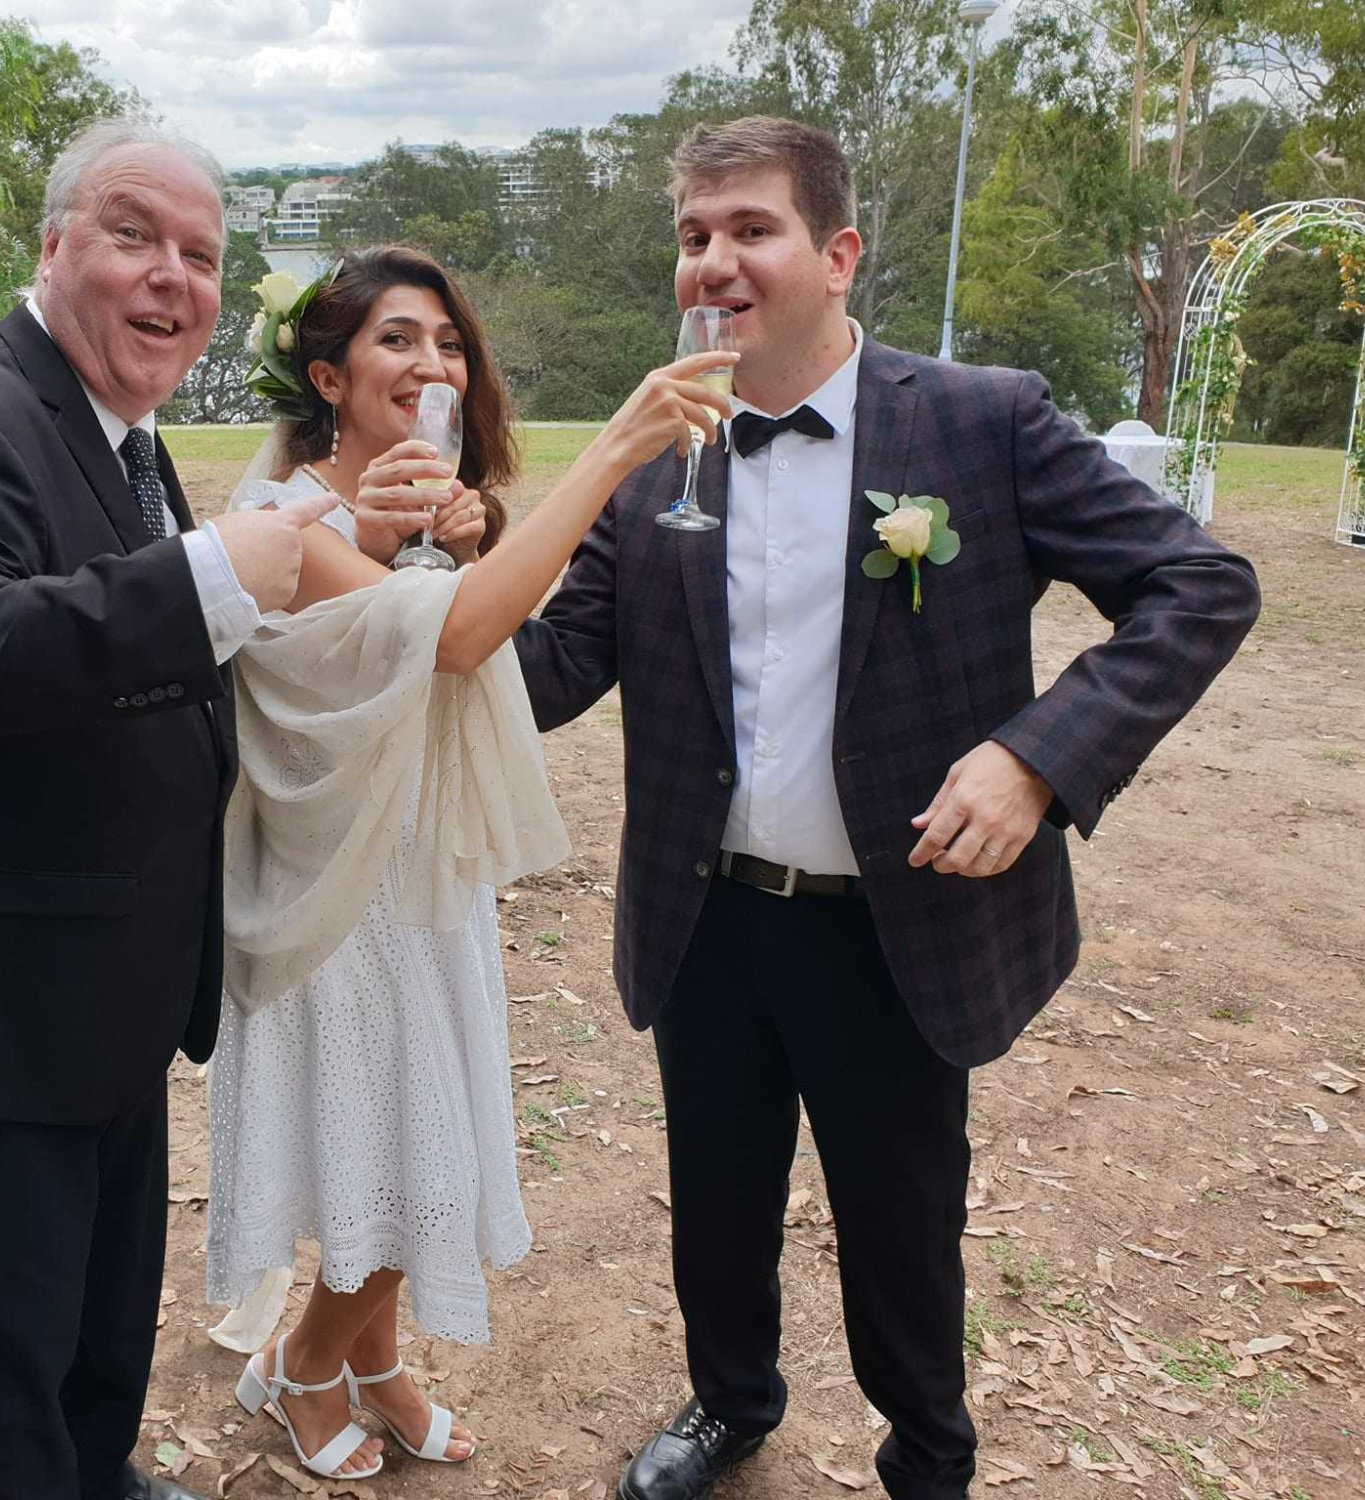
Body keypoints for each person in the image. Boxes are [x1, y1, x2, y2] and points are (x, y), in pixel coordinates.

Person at [503, 118, 1260, 1500]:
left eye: (751, 230)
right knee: (718, 1208)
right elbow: (554, 673)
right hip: (706, 917)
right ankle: (731, 1404)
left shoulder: (982, 421)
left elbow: (1202, 588)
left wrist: (1038, 758)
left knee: (903, 1224)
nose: (713, 261)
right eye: (693, 234)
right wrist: (421, 595)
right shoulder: (660, 446)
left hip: (895, 926)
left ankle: (930, 1457)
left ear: (838, 253)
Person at [0, 118, 336, 1500]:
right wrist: (213, 579)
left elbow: (130, 670)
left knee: (97, 1350)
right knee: (9, 1390)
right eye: (134, 235)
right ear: (51, 245)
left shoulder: (121, 438)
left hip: (100, 1000)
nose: (174, 279)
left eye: (201, 256)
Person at [204, 246, 738, 1483]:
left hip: (422, 877)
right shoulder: (284, 515)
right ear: (325, 373)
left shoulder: (403, 505)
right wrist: (614, 453)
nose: (432, 363)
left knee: (401, 1134)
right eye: (397, 340)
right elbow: (456, 636)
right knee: (409, 1146)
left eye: (447, 342)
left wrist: (462, 525)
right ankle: (295, 1364)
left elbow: (439, 596)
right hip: (338, 890)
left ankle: (372, 1367)